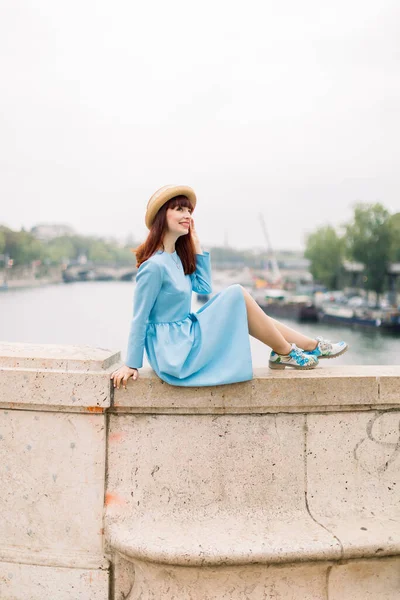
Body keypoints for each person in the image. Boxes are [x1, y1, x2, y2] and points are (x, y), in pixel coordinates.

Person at [110, 185, 348, 389]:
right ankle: (287, 351)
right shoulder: (153, 266)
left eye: (189, 211)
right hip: (173, 350)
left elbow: (203, 288)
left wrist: (196, 245)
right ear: (162, 216)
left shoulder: (176, 259)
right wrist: (132, 363)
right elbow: (139, 317)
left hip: (187, 334)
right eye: (179, 209)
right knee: (237, 294)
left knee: (242, 303)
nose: (187, 215)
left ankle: (303, 347)